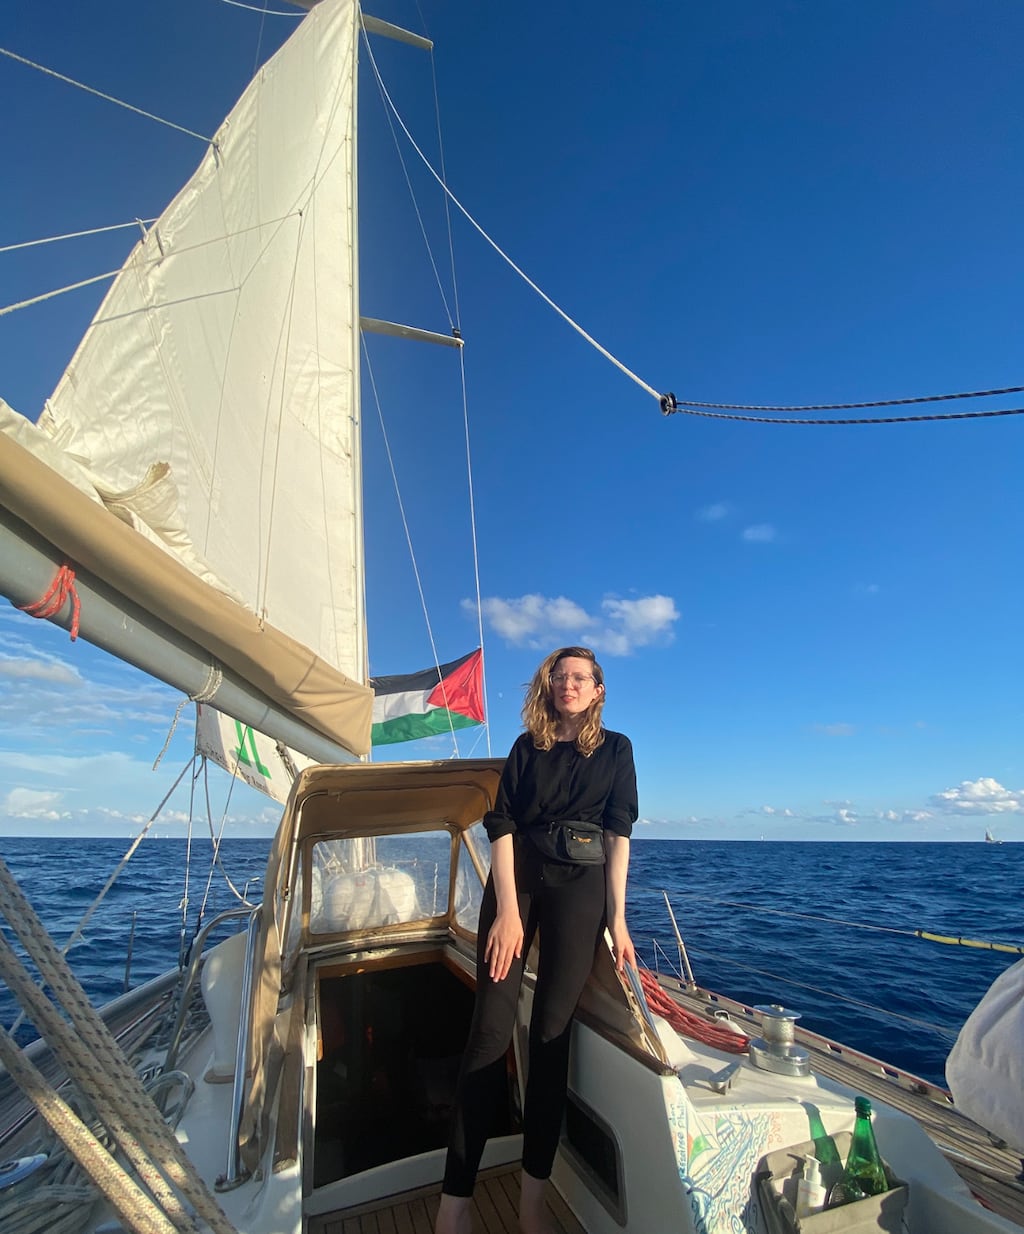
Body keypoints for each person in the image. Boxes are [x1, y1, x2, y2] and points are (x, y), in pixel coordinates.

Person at [434, 646, 637, 1234]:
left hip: (582, 887)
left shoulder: (618, 751)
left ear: (597, 689)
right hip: (516, 880)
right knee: (490, 1033)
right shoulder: (528, 748)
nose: (569, 684)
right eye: (560, 676)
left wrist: (617, 918)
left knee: (551, 1039)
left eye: (581, 678)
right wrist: (505, 914)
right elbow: (500, 825)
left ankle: (531, 1207)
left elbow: (617, 836)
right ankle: (455, 1205)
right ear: (548, 687)